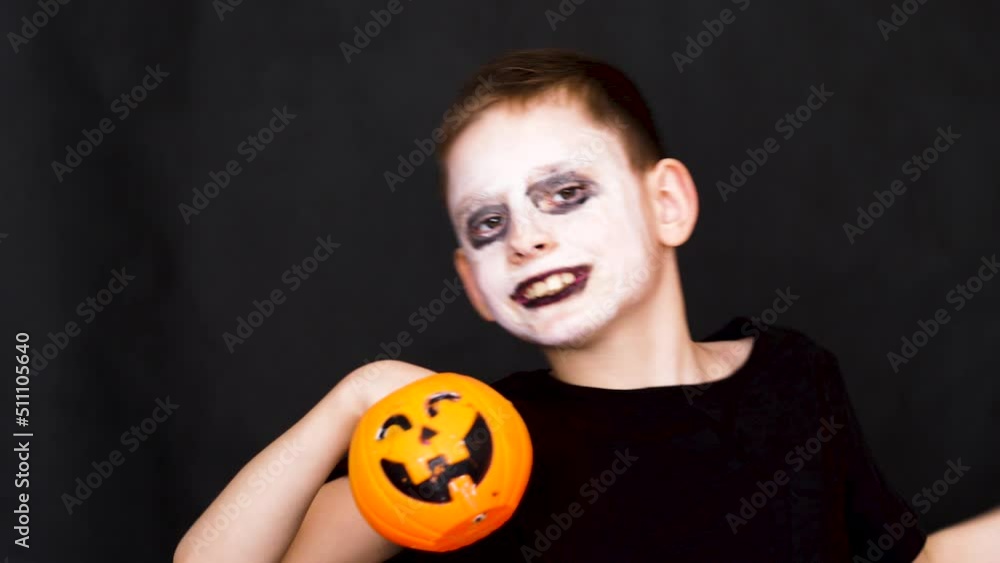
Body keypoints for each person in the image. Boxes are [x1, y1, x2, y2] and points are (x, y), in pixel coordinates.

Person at [174, 49, 999, 562]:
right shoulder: (467, 443)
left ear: (667, 203)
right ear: (474, 282)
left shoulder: (794, 376)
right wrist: (354, 398)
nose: (525, 238)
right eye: (489, 223)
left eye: (564, 193)